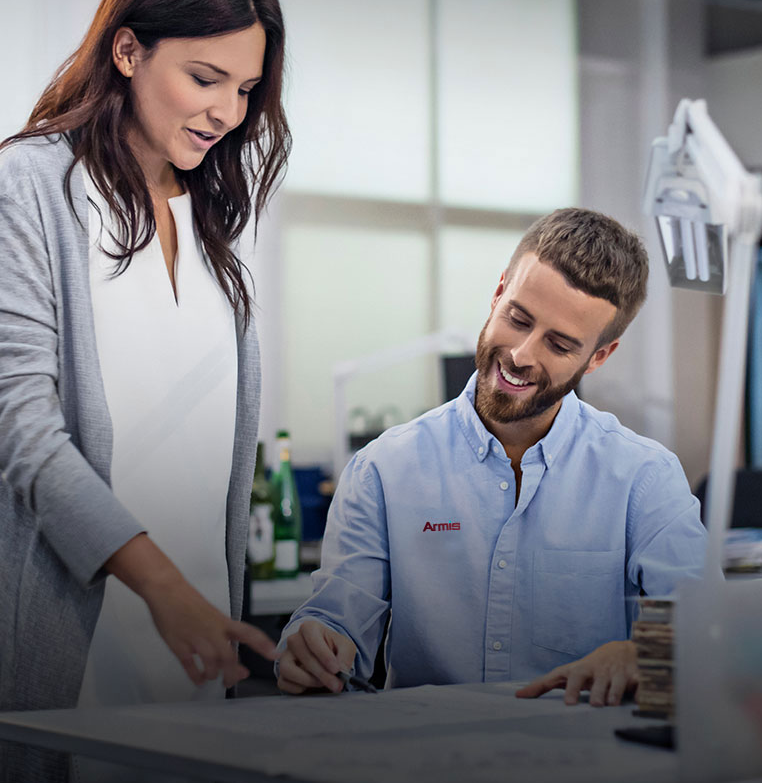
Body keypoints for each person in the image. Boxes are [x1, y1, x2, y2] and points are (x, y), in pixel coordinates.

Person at [0, 0, 288, 783]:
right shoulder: (31, 188)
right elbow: (25, 429)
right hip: (82, 638)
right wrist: (163, 590)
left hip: (189, 643)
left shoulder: (212, 226)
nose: (227, 111)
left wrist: (194, 605)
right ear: (128, 53)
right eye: (205, 76)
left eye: (246, 89)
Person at [278, 208, 707, 702]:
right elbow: (335, 619)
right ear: (498, 292)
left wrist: (648, 653)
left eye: (560, 344)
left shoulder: (643, 478)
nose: (523, 354)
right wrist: (313, 646)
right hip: (419, 765)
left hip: (583, 768)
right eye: (518, 318)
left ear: (600, 356)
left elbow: (708, 628)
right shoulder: (383, 470)